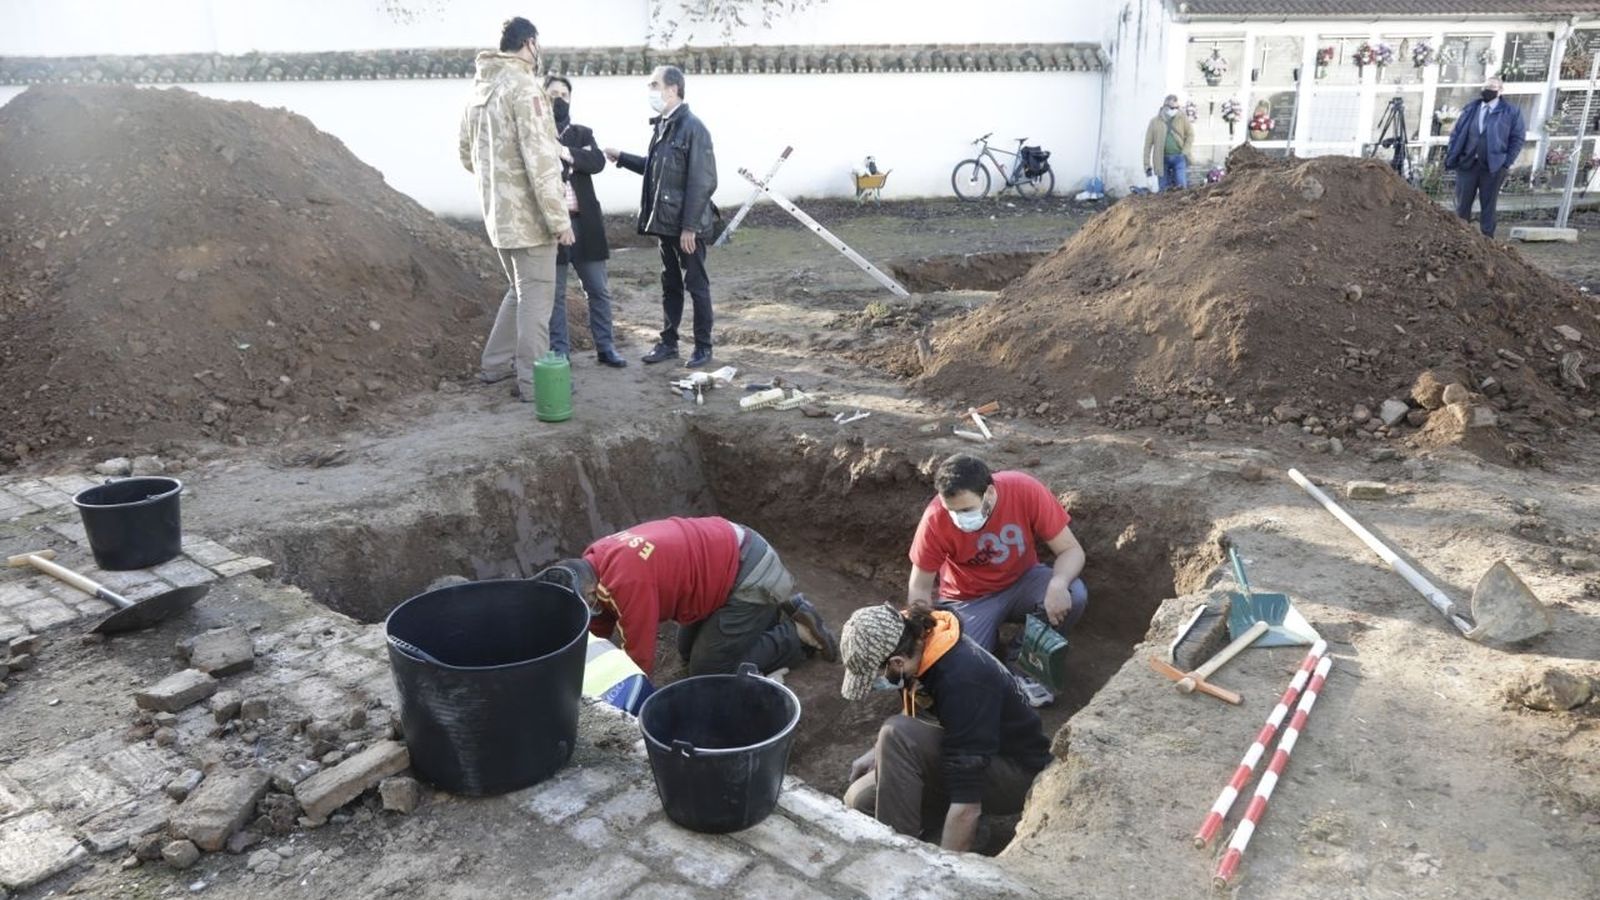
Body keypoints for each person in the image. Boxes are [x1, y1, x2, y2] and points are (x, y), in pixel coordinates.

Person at [838, 604, 1052, 851]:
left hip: (1014, 773)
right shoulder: (916, 639)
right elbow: (919, 709)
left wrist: (945, 872)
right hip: (972, 751)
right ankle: (948, 827)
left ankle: (896, 853)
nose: (876, 683)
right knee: (860, 801)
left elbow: (966, 799)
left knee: (896, 735)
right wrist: (877, 752)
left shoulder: (962, 682)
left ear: (896, 662)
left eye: (876, 675)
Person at [542, 517, 838, 677]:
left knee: (708, 672)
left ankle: (795, 635)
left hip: (748, 572)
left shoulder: (626, 582)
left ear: (591, 592)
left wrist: (629, 702)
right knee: (687, 653)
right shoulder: (597, 558)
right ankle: (771, 613)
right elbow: (599, 627)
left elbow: (638, 658)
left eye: (584, 604)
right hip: (724, 559)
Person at [906, 454, 1087, 708]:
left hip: (1023, 580)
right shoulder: (936, 517)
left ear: (989, 493)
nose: (959, 519)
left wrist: (1058, 584)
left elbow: (1071, 550)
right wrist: (923, 639)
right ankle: (987, 650)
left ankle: (1025, 666)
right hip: (968, 599)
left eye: (967, 510)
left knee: (1074, 593)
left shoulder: (1023, 489)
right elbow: (920, 586)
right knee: (959, 674)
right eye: (953, 511)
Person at [459, 17, 574, 400]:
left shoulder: (479, 89)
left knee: (518, 291)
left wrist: (498, 183)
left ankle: (494, 365)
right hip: (530, 220)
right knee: (536, 302)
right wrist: (559, 220)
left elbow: (465, 155)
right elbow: (541, 162)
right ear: (529, 43)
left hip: (498, 218)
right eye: (537, 45)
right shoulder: (525, 88)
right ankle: (534, 384)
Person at [603, 66, 719, 369]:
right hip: (666, 224)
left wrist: (690, 227)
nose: (650, 90)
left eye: (654, 84)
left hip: (687, 227)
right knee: (670, 284)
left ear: (673, 89)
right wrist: (622, 158)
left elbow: (703, 181)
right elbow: (656, 170)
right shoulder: (663, 127)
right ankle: (669, 343)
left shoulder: (694, 128)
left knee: (696, 284)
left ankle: (703, 347)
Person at [542, 75, 627, 369]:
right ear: (542, 97)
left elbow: (597, 162)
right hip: (552, 226)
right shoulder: (535, 134)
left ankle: (606, 347)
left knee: (598, 289)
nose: (558, 99)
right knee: (556, 295)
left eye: (564, 94)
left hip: (585, 223)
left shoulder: (582, 133)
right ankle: (560, 353)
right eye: (553, 94)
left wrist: (565, 152)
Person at [1444, 76, 1526, 238]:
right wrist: (1454, 154)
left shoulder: (1510, 112)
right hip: (1468, 164)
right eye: (1486, 87)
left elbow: (1517, 138)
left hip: (1493, 166)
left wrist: (1506, 162)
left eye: (1493, 88)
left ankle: (1487, 240)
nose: (1488, 90)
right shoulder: (1470, 109)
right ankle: (1462, 238)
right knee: (1462, 205)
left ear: (1500, 91)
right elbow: (1457, 133)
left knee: (1488, 205)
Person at [1143, 94, 1192, 192]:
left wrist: (1185, 151)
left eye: (1177, 107)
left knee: (1181, 187)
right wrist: (1147, 165)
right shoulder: (1154, 122)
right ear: (1165, 107)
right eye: (1172, 107)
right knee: (1163, 189)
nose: (1174, 110)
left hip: (1179, 157)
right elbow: (1148, 145)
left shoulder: (1182, 118)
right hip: (1161, 160)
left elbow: (1190, 135)